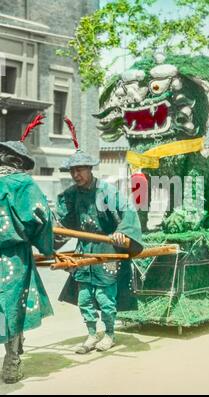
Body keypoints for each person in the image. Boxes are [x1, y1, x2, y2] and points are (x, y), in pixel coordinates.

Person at [56, 117, 143, 354]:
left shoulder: (107, 191)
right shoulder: (71, 194)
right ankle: (92, 335)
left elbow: (129, 212)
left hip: (107, 249)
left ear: (90, 169)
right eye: (72, 170)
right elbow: (62, 223)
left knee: (105, 298)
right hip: (84, 249)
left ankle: (110, 334)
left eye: (80, 170)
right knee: (84, 297)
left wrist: (120, 233)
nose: (76, 175)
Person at [0, 115, 54, 383]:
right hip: (12, 257)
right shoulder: (23, 184)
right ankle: (11, 361)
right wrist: (46, 245)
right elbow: (40, 217)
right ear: (17, 162)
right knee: (12, 306)